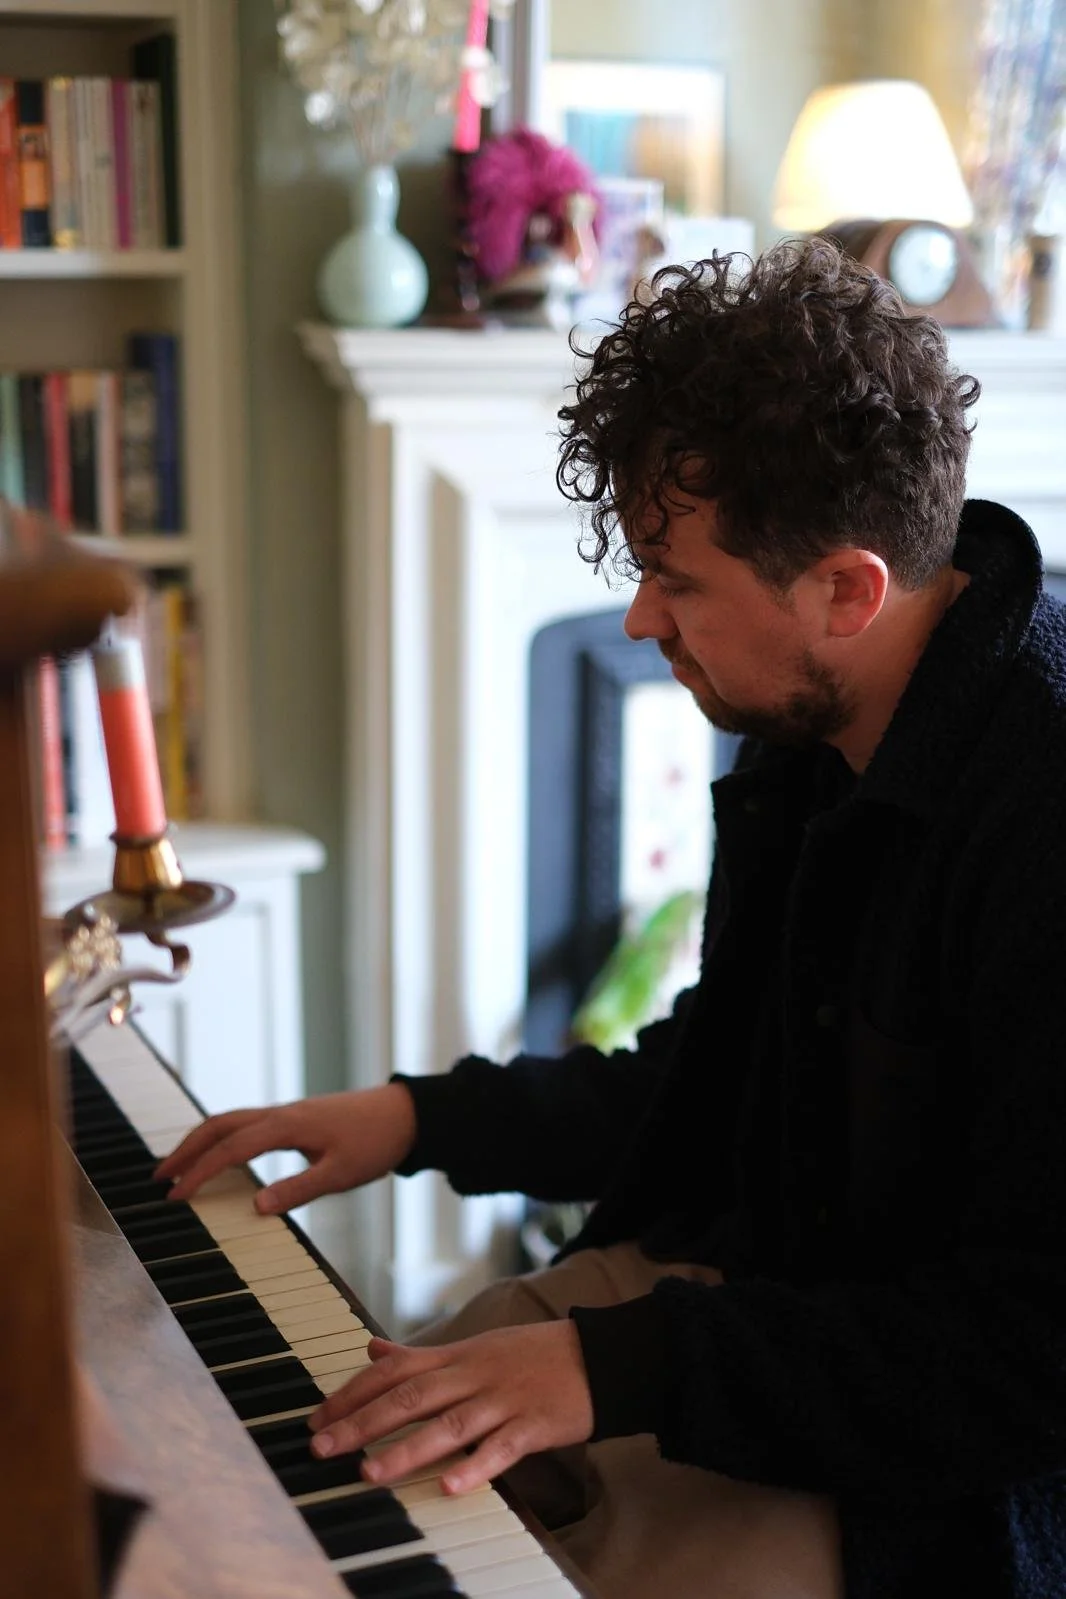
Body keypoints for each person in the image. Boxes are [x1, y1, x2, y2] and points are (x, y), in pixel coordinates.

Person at [156, 239, 1066, 1599]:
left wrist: (606, 1367)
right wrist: (412, 1119)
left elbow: (1025, 1350)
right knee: (346, 1443)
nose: (639, 618)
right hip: (759, 1311)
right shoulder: (808, 712)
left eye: (676, 578)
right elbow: (716, 1082)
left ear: (844, 587)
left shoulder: (1036, 808)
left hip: (942, 1478)